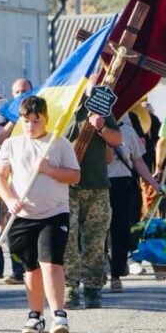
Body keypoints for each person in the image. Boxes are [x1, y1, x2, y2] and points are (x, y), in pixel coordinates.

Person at [0, 95, 80, 333]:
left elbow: (74, 176)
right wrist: (10, 199)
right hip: (22, 215)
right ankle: (35, 315)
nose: (31, 125)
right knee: (31, 267)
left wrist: (50, 170)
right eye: (26, 120)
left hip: (54, 213)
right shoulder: (11, 144)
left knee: (50, 263)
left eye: (36, 120)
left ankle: (59, 315)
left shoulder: (59, 143)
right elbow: (0, 177)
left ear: (45, 119)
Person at [62, 90, 121, 309]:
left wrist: (101, 126)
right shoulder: (61, 106)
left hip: (96, 184)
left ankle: (93, 288)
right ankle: (69, 287)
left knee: (96, 240)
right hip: (66, 185)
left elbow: (116, 139)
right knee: (67, 238)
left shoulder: (99, 105)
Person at [106, 113, 161, 291]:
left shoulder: (128, 132)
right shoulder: (91, 130)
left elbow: (138, 162)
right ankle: (100, 268)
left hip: (123, 184)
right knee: (98, 231)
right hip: (99, 185)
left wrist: (154, 184)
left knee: (120, 231)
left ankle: (116, 274)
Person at [0, 77, 33, 284]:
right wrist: (14, 119)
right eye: (16, 92)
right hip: (13, 176)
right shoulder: (6, 111)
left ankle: (34, 267)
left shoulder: (41, 111)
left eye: (24, 91)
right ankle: (18, 269)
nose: (20, 95)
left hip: (35, 174)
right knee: (11, 224)